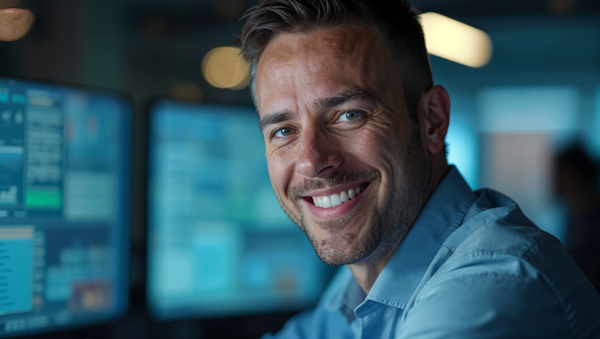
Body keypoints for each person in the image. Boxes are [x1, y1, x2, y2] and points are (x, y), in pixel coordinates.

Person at [236, 0, 600, 338]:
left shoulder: (491, 285)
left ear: (432, 120)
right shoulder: (364, 279)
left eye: (349, 115)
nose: (312, 161)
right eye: (283, 131)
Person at [555, 144, 600, 293]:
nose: (552, 179)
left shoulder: (589, 226)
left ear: (572, 175)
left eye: (558, 172)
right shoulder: (575, 217)